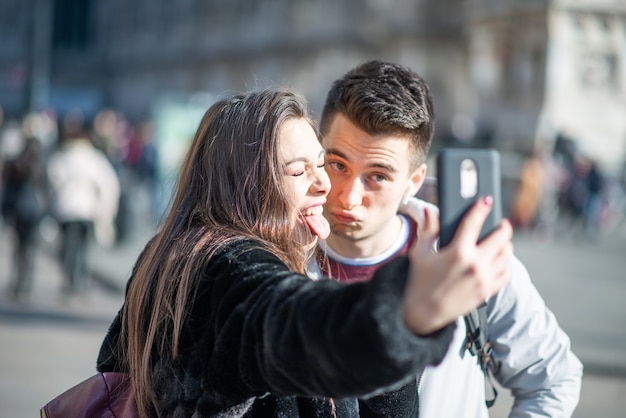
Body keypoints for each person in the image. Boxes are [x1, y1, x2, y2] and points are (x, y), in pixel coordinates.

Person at [96, 88, 513, 417]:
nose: (324, 186)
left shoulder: (184, 249)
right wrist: (407, 309)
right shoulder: (222, 269)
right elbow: (287, 324)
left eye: (322, 164)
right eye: (298, 172)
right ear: (243, 188)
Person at [318, 60, 583, 417]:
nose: (349, 197)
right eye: (338, 165)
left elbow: (554, 379)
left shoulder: (469, 259)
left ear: (414, 182)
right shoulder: (280, 260)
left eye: (377, 176)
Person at [47, 110, 121, 294]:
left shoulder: (62, 157)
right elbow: (109, 184)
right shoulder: (94, 158)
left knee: (68, 246)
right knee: (83, 247)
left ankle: (70, 278)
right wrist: (106, 211)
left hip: (66, 210)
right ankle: (79, 278)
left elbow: (51, 181)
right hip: (88, 210)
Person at [1, 133, 47, 301]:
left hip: (19, 210)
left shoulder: (15, 164)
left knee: (19, 247)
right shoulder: (40, 164)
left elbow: (8, 191)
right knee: (30, 247)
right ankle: (26, 282)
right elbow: (46, 189)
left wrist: (6, 211)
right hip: (34, 211)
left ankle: (18, 282)